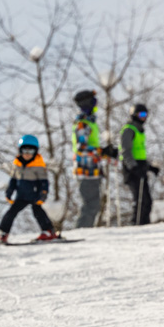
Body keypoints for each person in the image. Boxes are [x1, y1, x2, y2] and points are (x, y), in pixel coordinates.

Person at [0, 134, 57, 244]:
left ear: (36, 152)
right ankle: (3, 233)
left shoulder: (39, 165)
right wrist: (9, 192)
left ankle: (48, 231)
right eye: (25, 151)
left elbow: (44, 182)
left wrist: (43, 193)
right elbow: (13, 180)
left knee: (38, 212)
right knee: (11, 212)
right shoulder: (17, 164)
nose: (28, 154)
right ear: (20, 151)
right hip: (21, 195)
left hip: (34, 195)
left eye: (31, 151)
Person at [120, 103, 159, 225]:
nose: (144, 117)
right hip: (132, 170)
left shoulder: (140, 131)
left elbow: (140, 153)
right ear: (134, 115)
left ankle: (144, 224)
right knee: (140, 199)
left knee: (147, 201)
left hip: (140, 167)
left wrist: (149, 167)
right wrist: (133, 167)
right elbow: (126, 151)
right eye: (141, 114)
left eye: (146, 115)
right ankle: (136, 224)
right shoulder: (129, 130)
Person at [72, 89, 104, 228]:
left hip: (92, 169)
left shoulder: (90, 122)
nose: (96, 106)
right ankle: (82, 230)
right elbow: (81, 148)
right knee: (91, 204)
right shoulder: (83, 123)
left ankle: (85, 229)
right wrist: (100, 151)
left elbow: (91, 147)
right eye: (94, 102)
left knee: (94, 204)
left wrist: (106, 152)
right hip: (85, 169)